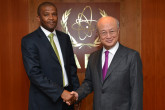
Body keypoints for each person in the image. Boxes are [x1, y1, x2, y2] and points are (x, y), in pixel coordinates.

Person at [69, 16, 143, 110]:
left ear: (118, 31)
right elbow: (89, 82)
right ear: (98, 34)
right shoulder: (93, 57)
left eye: (112, 31)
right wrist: (77, 94)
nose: (108, 36)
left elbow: (136, 92)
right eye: (103, 32)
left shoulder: (132, 56)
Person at [21, 2, 79, 110]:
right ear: (39, 18)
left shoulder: (65, 38)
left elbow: (71, 67)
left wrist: (76, 94)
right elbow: (34, 73)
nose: (51, 18)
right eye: (46, 14)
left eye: (54, 14)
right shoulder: (29, 40)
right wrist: (60, 92)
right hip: (44, 102)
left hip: (68, 101)